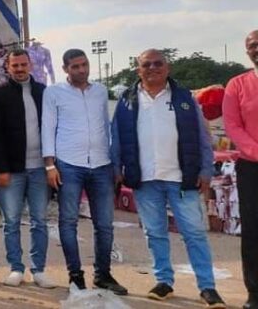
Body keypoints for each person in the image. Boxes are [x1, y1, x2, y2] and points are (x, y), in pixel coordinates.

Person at [110, 49, 226, 307]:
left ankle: (207, 287)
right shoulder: (127, 100)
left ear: (167, 67)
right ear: (138, 70)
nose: (152, 68)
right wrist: (116, 169)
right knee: (154, 233)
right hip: (145, 179)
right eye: (146, 65)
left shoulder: (184, 98)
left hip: (181, 177)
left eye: (158, 63)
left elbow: (203, 137)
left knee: (194, 233)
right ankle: (164, 281)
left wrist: (205, 170)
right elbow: (116, 136)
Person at [42, 49, 126, 295]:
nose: (81, 70)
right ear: (65, 69)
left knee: (105, 224)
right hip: (69, 164)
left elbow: (107, 127)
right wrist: (50, 165)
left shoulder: (100, 91)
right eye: (75, 66)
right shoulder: (54, 93)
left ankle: (103, 275)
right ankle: (75, 276)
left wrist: (115, 163)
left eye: (84, 65)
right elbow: (48, 128)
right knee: (68, 221)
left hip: (101, 164)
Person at [0, 49, 57, 288]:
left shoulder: (44, 93)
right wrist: (0, 169)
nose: (19, 69)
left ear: (31, 65)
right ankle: (16, 268)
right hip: (12, 170)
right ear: (8, 67)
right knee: (11, 222)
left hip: (40, 169)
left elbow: (54, 129)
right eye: (14, 65)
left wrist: (51, 165)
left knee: (39, 221)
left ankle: (39, 270)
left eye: (23, 64)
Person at [223, 29, 258, 309]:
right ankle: (255, 293)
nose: (257, 49)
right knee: (254, 232)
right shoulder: (237, 85)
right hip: (252, 167)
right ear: (247, 51)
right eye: (253, 45)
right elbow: (233, 126)